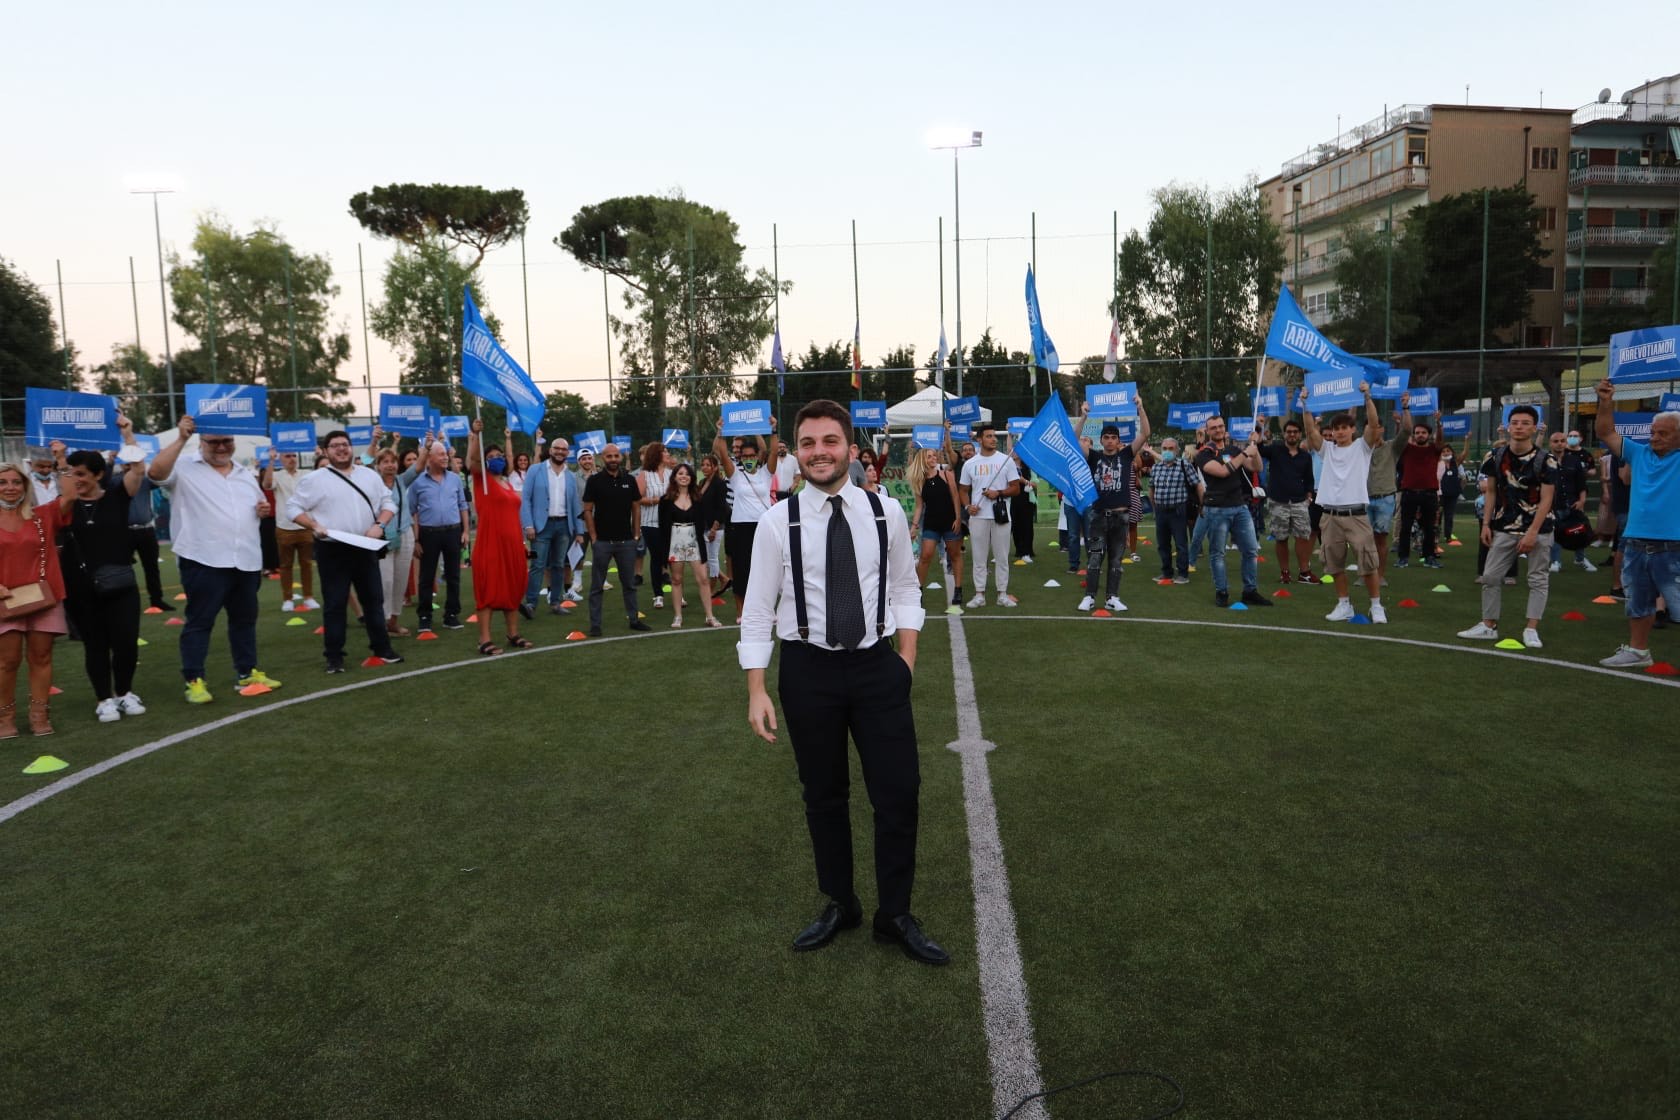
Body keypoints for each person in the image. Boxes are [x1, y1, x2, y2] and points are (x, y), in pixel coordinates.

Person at [739, 399, 945, 966]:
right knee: (823, 795)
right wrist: (756, 688)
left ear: (851, 449)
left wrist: (905, 659)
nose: (819, 452)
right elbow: (757, 610)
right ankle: (841, 902)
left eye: (829, 441)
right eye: (808, 443)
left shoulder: (885, 512)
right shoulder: (777, 522)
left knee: (899, 792)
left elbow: (904, 587)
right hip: (808, 671)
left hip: (877, 667)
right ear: (796, 452)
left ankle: (894, 914)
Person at [148, 416, 283, 703]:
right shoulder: (183, 466)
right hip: (203, 559)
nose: (221, 447)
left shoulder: (243, 473)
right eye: (214, 442)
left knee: (244, 621)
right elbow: (155, 473)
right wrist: (181, 438)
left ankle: (247, 672)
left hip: (245, 559)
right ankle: (194, 680)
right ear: (201, 441)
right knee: (200, 622)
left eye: (227, 441)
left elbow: (255, 505)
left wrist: (259, 511)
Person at [285, 429, 403, 674]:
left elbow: (388, 503)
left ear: (351, 448)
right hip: (332, 549)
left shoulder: (369, 475)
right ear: (326, 451)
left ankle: (382, 649)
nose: (341, 449)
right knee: (335, 604)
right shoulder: (314, 479)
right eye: (335, 445)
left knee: (374, 600)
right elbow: (293, 508)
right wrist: (314, 525)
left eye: (345, 444)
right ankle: (334, 657)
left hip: (365, 547)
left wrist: (380, 525)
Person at [58, 432, 148, 724]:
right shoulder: (64, 505)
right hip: (80, 588)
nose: (76, 479)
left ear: (98, 475)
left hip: (120, 584)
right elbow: (64, 488)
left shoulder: (117, 496)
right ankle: (103, 700)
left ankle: (124, 693)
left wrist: (127, 433)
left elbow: (138, 469)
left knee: (126, 643)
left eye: (81, 474)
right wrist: (60, 458)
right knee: (95, 645)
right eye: (71, 474)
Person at [1457, 405, 1556, 649]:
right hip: (1504, 526)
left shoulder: (1546, 460)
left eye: (1525, 423)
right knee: (1490, 576)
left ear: (1534, 428)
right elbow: (1490, 491)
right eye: (1515, 422)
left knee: (1537, 579)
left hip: (1539, 528)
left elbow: (1547, 499)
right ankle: (1488, 625)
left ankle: (1531, 628)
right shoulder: (1495, 456)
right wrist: (1486, 524)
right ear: (1508, 426)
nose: (1519, 427)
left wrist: (1533, 532)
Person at [1593, 386, 1679, 669]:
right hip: (1636, 543)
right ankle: (1638, 651)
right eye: (1653, 432)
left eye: (1663, 433)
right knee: (1638, 602)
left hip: (1674, 546)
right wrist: (1606, 402)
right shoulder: (1639, 453)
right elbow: (1605, 432)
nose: (1654, 437)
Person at [1300, 385, 1387, 624]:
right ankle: (1344, 604)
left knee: (1367, 562)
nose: (1339, 432)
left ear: (1353, 429)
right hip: (1330, 516)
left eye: (1344, 428)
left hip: (1356, 515)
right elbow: (1310, 431)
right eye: (1336, 429)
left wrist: (1367, 397)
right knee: (1333, 563)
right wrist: (1305, 404)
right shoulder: (1326, 450)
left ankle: (1376, 606)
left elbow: (1374, 423)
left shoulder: (1363, 447)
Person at [0, 460, 69, 737]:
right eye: (3, 482)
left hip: (44, 598)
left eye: (16, 482)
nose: (10, 487)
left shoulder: (42, 515)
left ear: (25, 486)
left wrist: (62, 462)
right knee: (7, 661)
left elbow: (71, 494)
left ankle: (39, 716)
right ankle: (5, 719)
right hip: (5, 600)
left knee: (41, 656)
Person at [1075, 401, 1153, 613]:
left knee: (1116, 560)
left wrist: (1140, 408)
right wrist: (1083, 416)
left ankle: (1112, 597)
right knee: (1094, 558)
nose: (1110, 441)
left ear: (1118, 441)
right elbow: (1074, 439)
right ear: (1101, 440)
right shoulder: (1094, 456)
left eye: (1113, 438)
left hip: (1121, 516)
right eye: (1106, 437)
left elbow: (1145, 433)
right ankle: (1090, 597)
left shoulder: (1126, 455)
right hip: (1099, 515)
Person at [465, 421, 533, 655]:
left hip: (513, 545)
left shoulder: (507, 482)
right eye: (491, 456)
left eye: (499, 456)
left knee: (513, 587)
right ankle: (484, 639)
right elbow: (472, 461)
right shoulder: (481, 480)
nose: (497, 459)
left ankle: (513, 634)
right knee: (488, 589)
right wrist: (476, 435)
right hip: (490, 544)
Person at [1193, 415, 1272, 610]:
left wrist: (1255, 447)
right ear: (1207, 431)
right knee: (1218, 553)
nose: (1218, 430)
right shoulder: (1203, 454)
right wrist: (1245, 452)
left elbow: (1257, 467)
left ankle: (1250, 591)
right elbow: (1222, 471)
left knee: (1250, 550)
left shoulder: (1234, 450)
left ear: (1225, 428)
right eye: (1213, 428)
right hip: (1216, 509)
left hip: (1239, 506)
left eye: (1220, 426)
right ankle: (1222, 591)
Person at [583, 441, 650, 637]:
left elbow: (636, 507)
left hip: (626, 542)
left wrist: (636, 534)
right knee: (597, 586)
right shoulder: (594, 481)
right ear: (602, 458)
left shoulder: (629, 480)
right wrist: (594, 537)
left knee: (629, 584)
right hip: (602, 543)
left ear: (620, 457)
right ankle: (595, 625)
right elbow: (587, 510)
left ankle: (634, 620)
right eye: (609, 456)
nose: (613, 459)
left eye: (616, 456)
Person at [713, 421, 780, 616]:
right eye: (745, 456)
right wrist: (720, 431)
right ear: (740, 458)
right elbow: (722, 453)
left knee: (766, 569)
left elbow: (774, 452)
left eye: (752, 455)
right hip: (740, 527)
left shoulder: (765, 473)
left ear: (758, 456)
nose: (749, 459)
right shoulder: (735, 475)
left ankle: (767, 610)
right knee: (741, 570)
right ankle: (741, 612)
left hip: (763, 526)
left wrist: (773, 430)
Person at [409, 435, 470, 634]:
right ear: (430, 457)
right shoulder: (417, 482)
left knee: (453, 576)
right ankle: (425, 616)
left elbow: (462, 506)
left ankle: (451, 615)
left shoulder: (454, 479)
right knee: (427, 577)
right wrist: (416, 540)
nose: (445, 457)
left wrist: (466, 531)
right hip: (428, 534)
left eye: (445, 454)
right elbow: (412, 512)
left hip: (453, 531)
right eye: (441, 454)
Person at [520, 435, 584, 618]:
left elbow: (576, 505)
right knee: (538, 565)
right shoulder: (535, 470)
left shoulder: (570, 476)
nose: (560, 452)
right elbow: (526, 499)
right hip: (541, 526)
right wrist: (528, 525)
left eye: (564, 449)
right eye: (557, 448)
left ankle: (556, 603)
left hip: (564, 526)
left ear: (567, 453)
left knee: (558, 565)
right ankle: (531, 604)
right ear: (550, 450)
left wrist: (579, 531)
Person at [959, 422, 1021, 609]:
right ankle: (979, 594)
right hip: (978, 517)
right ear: (979, 440)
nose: (993, 439)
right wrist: (967, 506)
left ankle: (1002, 594)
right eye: (989, 436)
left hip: (1001, 515)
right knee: (979, 558)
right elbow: (963, 490)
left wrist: (998, 493)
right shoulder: (970, 464)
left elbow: (1016, 488)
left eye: (994, 436)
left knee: (1002, 557)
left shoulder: (1006, 460)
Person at [1257, 414, 1319, 584]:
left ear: (1300, 434)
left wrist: (1309, 496)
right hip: (1278, 502)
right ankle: (1285, 573)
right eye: (1289, 432)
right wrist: (1261, 426)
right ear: (1284, 434)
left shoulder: (1305, 456)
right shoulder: (1275, 450)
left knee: (1303, 537)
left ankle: (1304, 572)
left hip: (1299, 502)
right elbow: (1259, 448)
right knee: (1281, 538)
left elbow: (1309, 479)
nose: (1292, 434)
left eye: (1295, 432)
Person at [659, 462, 721, 628]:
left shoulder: (698, 498)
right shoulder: (665, 500)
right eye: (680, 473)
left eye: (687, 474)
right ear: (674, 477)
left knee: (703, 579)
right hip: (674, 542)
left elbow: (704, 520)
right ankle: (678, 616)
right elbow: (662, 527)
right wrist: (664, 551)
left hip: (695, 542)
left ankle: (710, 616)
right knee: (676, 579)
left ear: (692, 478)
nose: (684, 477)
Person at [907, 428, 963, 603]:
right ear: (922, 459)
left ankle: (958, 590)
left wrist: (958, 518)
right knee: (925, 556)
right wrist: (914, 527)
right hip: (931, 523)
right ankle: (918, 591)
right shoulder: (919, 480)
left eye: (934, 455)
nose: (933, 458)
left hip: (950, 522)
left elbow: (955, 497)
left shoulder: (946, 474)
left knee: (954, 555)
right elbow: (919, 506)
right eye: (929, 456)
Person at [1392, 409, 1447, 571]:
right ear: (1414, 435)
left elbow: (1440, 440)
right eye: (1417, 433)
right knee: (1405, 527)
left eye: (1423, 433)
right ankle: (1403, 558)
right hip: (1409, 493)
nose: (1420, 435)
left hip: (1429, 494)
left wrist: (1438, 423)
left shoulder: (1434, 450)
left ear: (1429, 435)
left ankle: (1429, 557)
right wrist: (1399, 424)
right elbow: (1400, 439)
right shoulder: (1407, 449)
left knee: (1429, 528)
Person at [265, 449, 319, 613]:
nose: (292, 459)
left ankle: (308, 597)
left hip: (305, 526)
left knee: (306, 565)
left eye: (294, 455)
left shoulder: (306, 474)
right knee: (285, 566)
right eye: (287, 456)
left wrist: (319, 455)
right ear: (281, 458)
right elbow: (266, 485)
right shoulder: (277, 475)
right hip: (284, 527)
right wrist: (271, 461)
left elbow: (323, 477)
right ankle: (287, 599)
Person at [373, 449, 417, 638]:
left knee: (400, 580)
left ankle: (393, 622)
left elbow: (419, 466)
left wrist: (428, 446)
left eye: (393, 461)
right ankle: (381, 622)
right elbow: (365, 459)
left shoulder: (401, 480)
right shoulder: (373, 483)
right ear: (378, 465)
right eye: (385, 462)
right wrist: (374, 442)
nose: (390, 465)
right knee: (385, 581)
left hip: (405, 533)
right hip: (382, 537)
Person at [1546, 430, 1598, 574]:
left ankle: (1580, 559)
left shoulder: (1574, 461)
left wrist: (1582, 501)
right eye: (1556, 441)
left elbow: (1581, 483)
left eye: (1562, 441)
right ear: (1550, 443)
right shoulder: (1545, 460)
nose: (1559, 444)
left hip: (1573, 503)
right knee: (1555, 533)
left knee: (1579, 531)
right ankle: (1556, 561)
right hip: (1553, 504)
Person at [1150, 436, 1199, 584]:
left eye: (1171, 448)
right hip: (1161, 510)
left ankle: (1183, 574)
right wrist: (1154, 508)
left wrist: (1201, 505)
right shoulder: (1156, 467)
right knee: (1162, 544)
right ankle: (1166, 573)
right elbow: (1152, 488)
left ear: (1177, 450)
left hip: (1178, 510)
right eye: (1164, 448)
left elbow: (1197, 485)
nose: (1167, 451)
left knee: (1181, 544)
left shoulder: (1185, 465)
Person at [636, 442, 672, 608]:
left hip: (670, 522)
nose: (668, 454)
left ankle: (678, 593)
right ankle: (658, 594)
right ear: (656, 455)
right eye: (665, 451)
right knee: (657, 558)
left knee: (673, 558)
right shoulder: (644, 475)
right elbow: (637, 499)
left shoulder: (672, 474)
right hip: (650, 523)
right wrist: (656, 500)